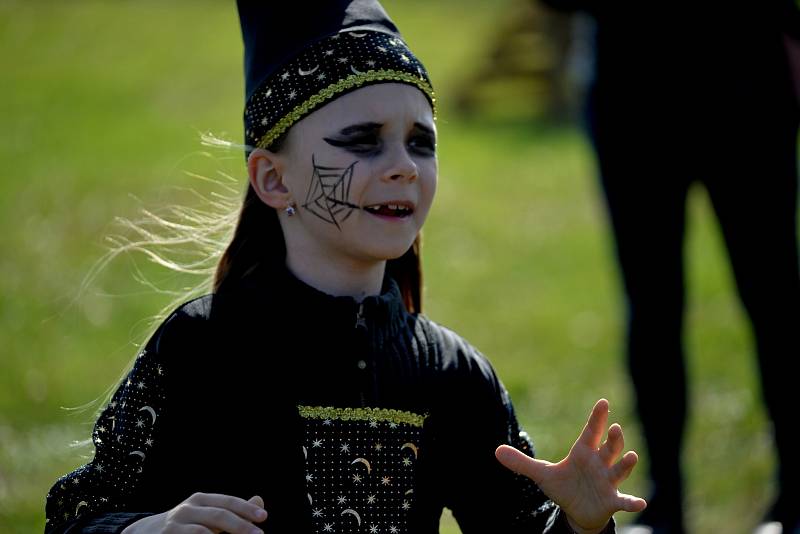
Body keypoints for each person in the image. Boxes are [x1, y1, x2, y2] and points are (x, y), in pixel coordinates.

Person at [44, 1, 647, 532]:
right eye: (363, 139)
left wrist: (576, 525)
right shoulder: (200, 348)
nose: (403, 165)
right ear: (273, 178)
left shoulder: (455, 376)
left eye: (421, 141)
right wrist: (152, 529)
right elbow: (79, 513)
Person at [536, 1, 800, 533]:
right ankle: (664, 506)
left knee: (775, 297)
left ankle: (797, 498)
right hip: (632, 84)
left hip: (748, 74)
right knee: (651, 303)